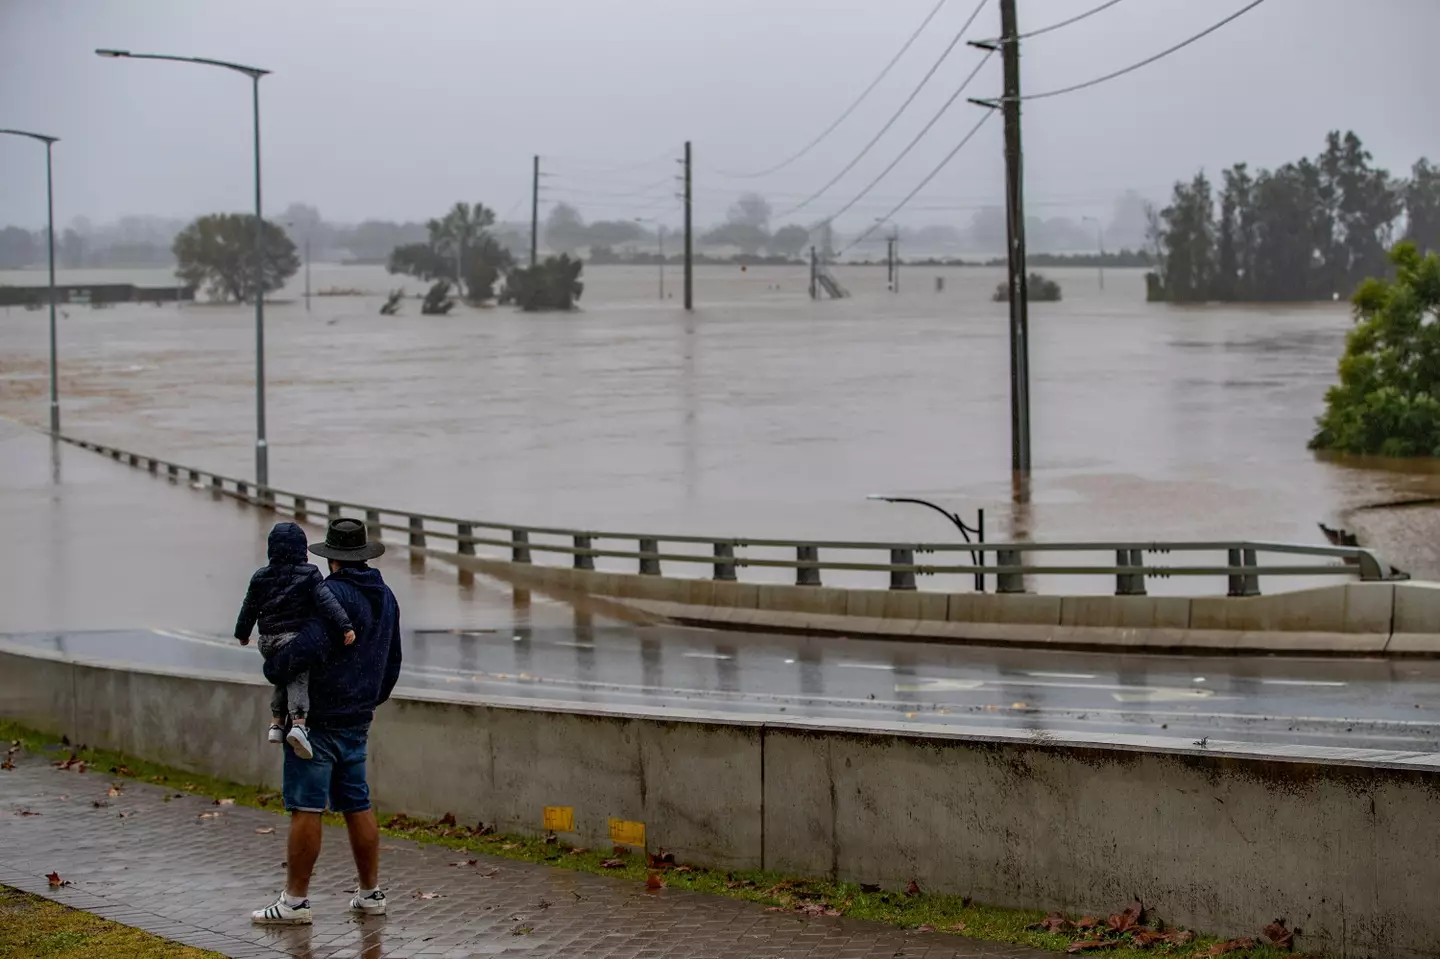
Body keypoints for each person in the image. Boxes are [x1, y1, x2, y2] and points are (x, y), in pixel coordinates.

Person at [250, 518, 403, 926]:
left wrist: (275, 668)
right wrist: (367, 701)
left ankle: (295, 902)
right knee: (357, 803)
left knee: (306, 805)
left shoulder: (331, 594)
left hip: (315, 720)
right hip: (357, 719)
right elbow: (392, 662)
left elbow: (309, 646)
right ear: (363, 554)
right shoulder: (386, 597)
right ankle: (371, 894)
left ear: (331, 557)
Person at [234, 522, 356, 760]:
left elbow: (248, 608)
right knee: (298, 675)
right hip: (292, 638)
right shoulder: (309, 574)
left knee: (283, 675)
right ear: (303, 550)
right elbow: (327, 602)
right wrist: (345, 625)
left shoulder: (260, 577)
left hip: (267, 641)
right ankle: (299, 724)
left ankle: (277, 723)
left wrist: (242, 633)